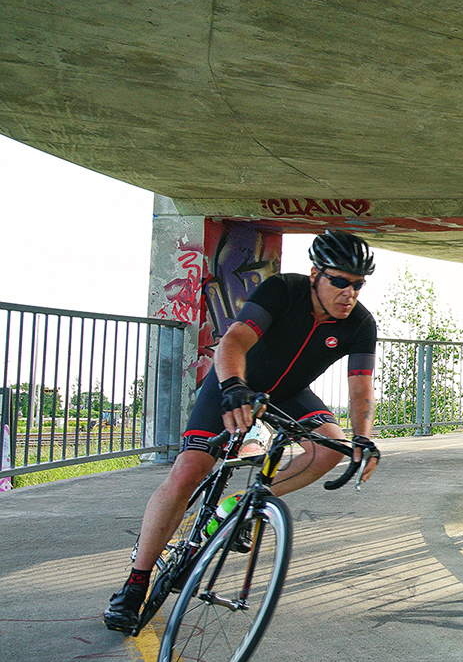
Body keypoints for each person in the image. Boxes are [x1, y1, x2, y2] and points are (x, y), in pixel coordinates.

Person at [104, 229, 383, 633]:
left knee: (331, 447)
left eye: (358, 285)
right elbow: (234, 340)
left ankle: (240, 505)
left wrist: (364, 438)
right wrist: (234, 386)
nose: (349, 293)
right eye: (340, 281)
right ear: (315, 275)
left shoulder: (360, 323)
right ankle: (135, 584)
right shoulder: (282, 290)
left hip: (287, 394)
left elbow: (361, 387)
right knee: (189, 471)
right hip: (234, 382)